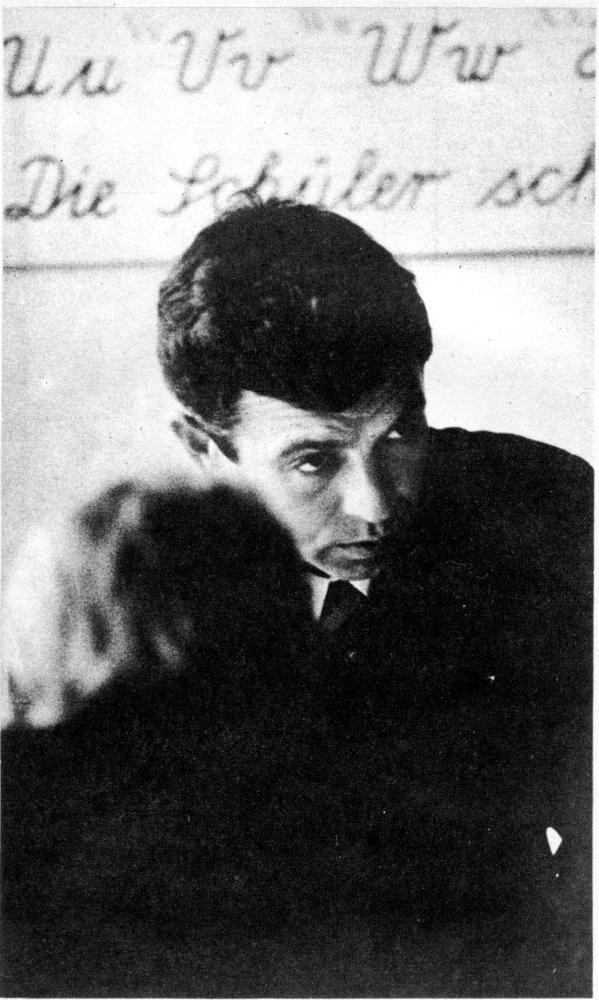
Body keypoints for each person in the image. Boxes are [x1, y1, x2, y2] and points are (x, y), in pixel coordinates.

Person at [155, 196, 593, 995]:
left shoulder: (546, 521)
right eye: (313, 461)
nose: (377, 504)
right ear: (204, 447)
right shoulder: (132, 600)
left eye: (397, 435)